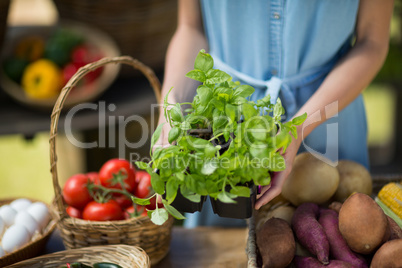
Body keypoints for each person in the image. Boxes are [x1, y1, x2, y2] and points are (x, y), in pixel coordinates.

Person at [155, 0, 394, 227]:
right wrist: (171, 108)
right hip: (222, 117)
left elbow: (372, 41)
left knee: (337, 234)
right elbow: (190, 27)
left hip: (329, 110)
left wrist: (297, 128)